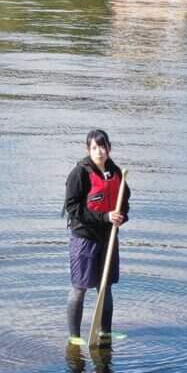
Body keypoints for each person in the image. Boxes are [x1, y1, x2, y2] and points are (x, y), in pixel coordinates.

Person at [62, 128, 129, 346]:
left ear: (109, 148)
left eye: (102, 147)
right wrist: (104, 217)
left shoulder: (117, 172)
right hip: (84, 238)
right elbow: (72, 208)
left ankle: (105, 332)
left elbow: (124, 201)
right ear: (87, 149)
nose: (99, 152)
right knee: (79, 287)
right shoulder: (80, 173)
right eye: (94, 148)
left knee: (105, 286)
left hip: (108, 238)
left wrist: (121, 217)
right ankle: (74, 336)